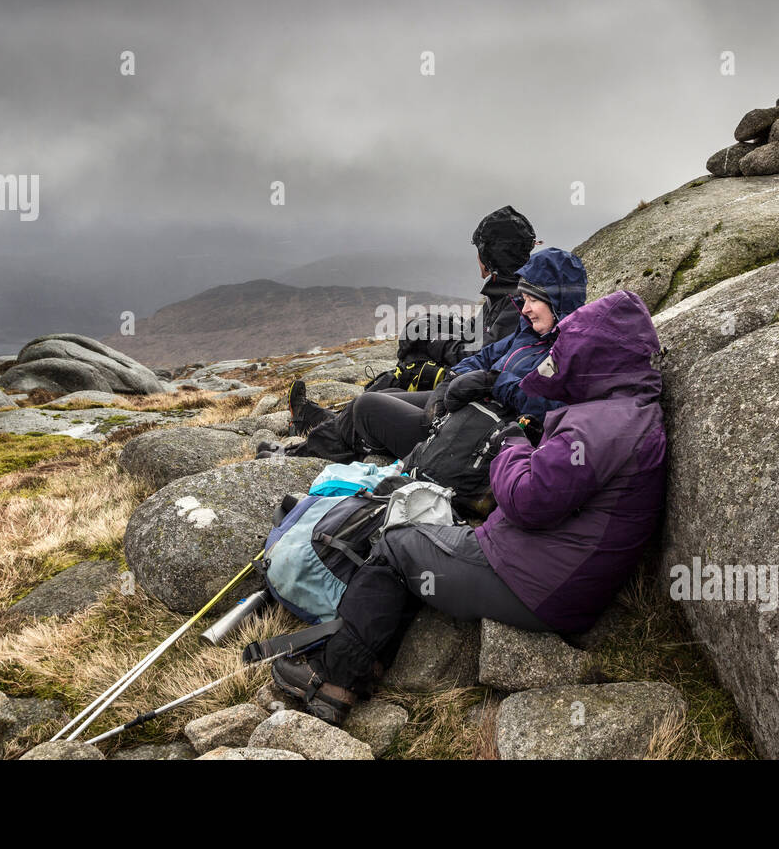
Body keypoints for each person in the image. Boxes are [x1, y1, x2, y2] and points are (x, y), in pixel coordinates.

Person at [270, 289, 669, 725]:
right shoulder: (627, 413)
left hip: (535, 584)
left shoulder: (602, 426)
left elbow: (526, 500)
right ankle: (368, 654)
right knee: (426, 539)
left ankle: (333, 678)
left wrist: (511, 446)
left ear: (596, 356)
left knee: (392, 543)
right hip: (558, 575)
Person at [273, 246, 586, 462]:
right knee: (388, 393)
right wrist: (457, 378)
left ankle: (296, 456)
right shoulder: (529, 332)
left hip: (478, 432)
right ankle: (305, 440)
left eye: (534, 300)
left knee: (368, 408)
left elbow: (548, 403)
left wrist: (491, 382)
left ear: (558, 300)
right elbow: (485, 355)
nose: (526, 307)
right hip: (467, 406)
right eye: (524, 298)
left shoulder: (571, 349)